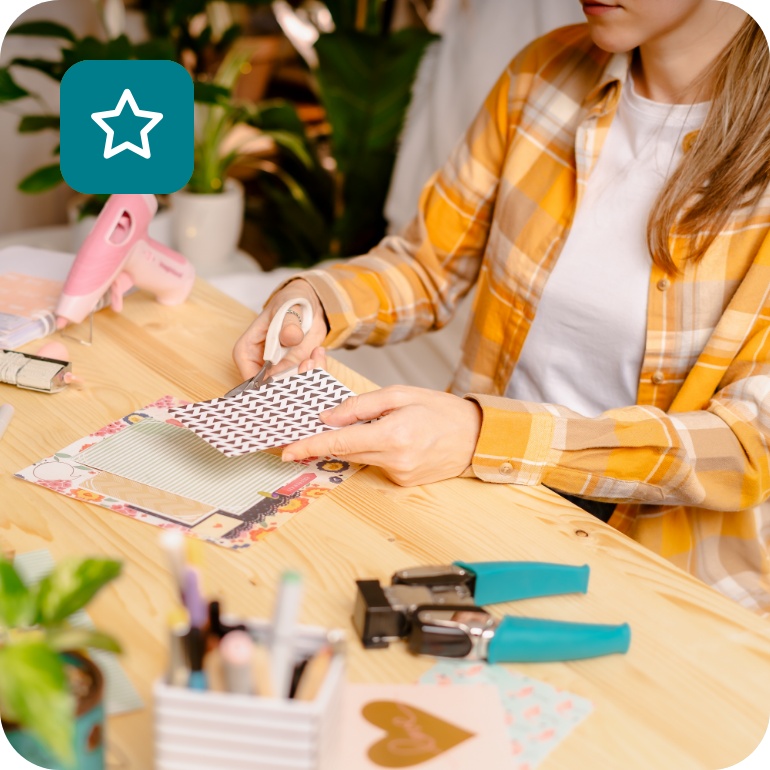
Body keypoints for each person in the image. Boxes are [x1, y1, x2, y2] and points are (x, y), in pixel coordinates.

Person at [233, 1, 770, 615]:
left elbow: (751, 441)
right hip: (479, 500)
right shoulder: (545, 70)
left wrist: (486, 435)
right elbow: (429, 264)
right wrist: (317, 301)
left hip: (672, 577)